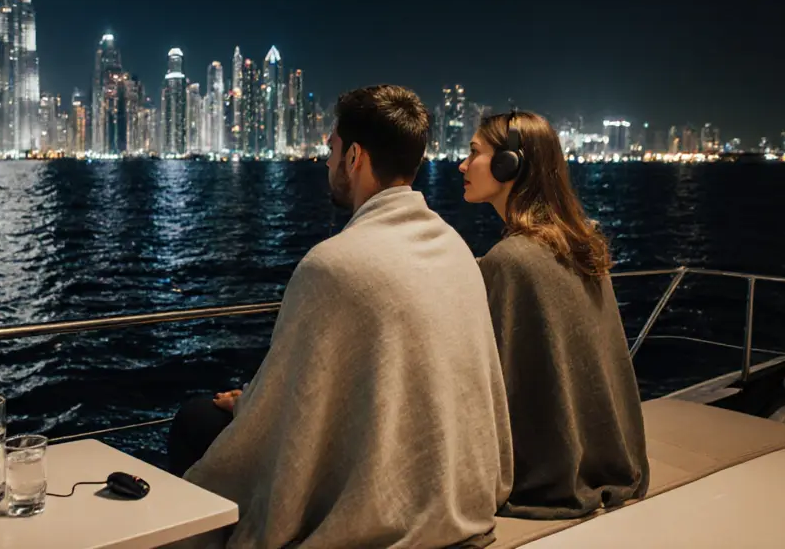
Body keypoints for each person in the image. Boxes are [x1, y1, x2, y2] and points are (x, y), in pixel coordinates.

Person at [167, 85, 512, 548]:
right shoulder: (455, 248)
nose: (327, 162)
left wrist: (251, 404)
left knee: (195, 421)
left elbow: (292, 414)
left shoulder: (331, 265)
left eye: (331, 149)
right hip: (455, 493)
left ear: (355, 157)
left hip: (386, 506)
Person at [458, 110, 649, 519]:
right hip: (610, 459)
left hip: (545, 476)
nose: (462, 164)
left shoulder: (509, 261)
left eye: (473, 152)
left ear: (509, 164)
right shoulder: (581, 244)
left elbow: (487, 384)